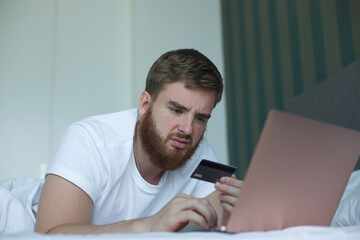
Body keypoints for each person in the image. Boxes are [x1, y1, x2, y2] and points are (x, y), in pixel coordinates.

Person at [35, 49, 242, 234]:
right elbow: (51, 233)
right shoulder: (89, 140)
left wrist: (235, 213)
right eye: (177, 110)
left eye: (200, 118)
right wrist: (149, 226)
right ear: (145, 105)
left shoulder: (198, 150)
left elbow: (222, 220)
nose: (188, 129)